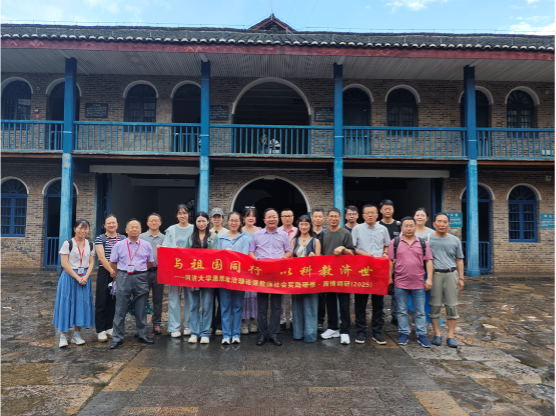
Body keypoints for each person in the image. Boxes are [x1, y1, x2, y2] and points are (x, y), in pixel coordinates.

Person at [249, 208, 292, 346]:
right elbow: (251, 251)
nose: (272, 219)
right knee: (262, 306)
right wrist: (254, 259)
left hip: (277, 274)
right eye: (269, 217)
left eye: (274, 217)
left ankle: (273, 334)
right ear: (264, 220)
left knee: (276, 306)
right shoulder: (257, 234)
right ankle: (262, 334)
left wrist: (283, 258)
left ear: (278, 219)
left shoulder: (283, 235)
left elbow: (288, 251)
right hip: (262, 274)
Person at [109, 219, 154, 349]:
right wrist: (122, 272)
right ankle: (117, 338)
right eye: (132, 227)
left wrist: (139, 271)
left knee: (141, 308)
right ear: (126, 230)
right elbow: (113, 262)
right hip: (123, 276)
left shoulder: (146, 245)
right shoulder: (119, 245)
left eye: (137, 227)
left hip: (140, 277)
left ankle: (143, 335)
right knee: (120, 308)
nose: (134, 229)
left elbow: (150, 262)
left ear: (141, 230)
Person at [388, 217, 434, 348]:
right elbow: (390, 261)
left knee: (420, 311)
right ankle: (404, 333)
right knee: (401, 310)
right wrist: (389, 277)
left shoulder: (423, 243)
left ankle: (421, 335)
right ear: (401, 228)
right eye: (406, 226)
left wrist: (429, 279)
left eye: (411, 225)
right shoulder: (395, 242)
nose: (409, 228)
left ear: (415, 227)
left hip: (418, 283)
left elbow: (428, 261)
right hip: (400, 283)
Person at [352, 204, 391, 345]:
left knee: (378, 303)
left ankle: (377, 332)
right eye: (367, 213)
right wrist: (364, 255)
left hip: (378, 269)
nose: (370, 215)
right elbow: (352, 248)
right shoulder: (357, 229)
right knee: (360, 302)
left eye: (373, 213)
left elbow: (387, 244)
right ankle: (360, 331)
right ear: (362, 216)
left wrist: (385, 253)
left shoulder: (383, 229)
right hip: (362, 269)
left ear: (377, 215)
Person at [53, 219, 96, 348]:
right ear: (75, 229)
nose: (83, 231)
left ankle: (77, 334)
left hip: (84, 278)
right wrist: (77, 277)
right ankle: (62, 335)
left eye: (86, 228)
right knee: (65, 303)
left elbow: (91, 262)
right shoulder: (68, 243)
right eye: (80, 228)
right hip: (69, 277)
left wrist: (86, 276)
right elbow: (64, 263)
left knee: (81, 304)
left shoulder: (91, 244)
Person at [428, 213, 465, 349]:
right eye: (439, 221)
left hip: (451, 274)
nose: (442, 224)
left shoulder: (455, 240)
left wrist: (461, 278)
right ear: (434, 224)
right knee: (435, 305)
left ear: (449, 224)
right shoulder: (428, 239)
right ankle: (437, 334)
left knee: (452, 305)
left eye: (445, 222)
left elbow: (459, 259)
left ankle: (451, 336)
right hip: (436, 275)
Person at [320, 208, 355, 345]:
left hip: (343, 275)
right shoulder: (324, 234)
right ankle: (333, 327)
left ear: (340, 219)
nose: (333, 218)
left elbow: (352, 253)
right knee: (330, 302)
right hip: (328, 274)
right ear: (327, 219)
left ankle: (345, 331)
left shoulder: (345, 233)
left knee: (344, 303)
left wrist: (343, 249)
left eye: (336, 216)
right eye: (331, 216)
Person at [183, 212, 219, 344]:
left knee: (207, 305)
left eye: (204, 221)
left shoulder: (214, 237)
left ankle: (205, 333)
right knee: (194, 305)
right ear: (195, 222)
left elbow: (215, 255)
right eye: (199, 221)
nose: (201, 223)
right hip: (193, 276)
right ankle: (194, 332)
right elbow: (185, 254)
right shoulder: (190, 236)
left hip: (208, 276)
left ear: (208, 221)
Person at [218, 212, 252, 345]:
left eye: (236, 220)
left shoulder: (244, 239)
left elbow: (244, 257)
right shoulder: (221, 238)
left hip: (238, 278)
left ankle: (236, 334)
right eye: (231, 220)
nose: (233, 223)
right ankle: (226, 335)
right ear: (227, 221)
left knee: (238, 306)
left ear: (240, 222)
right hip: (224, 278)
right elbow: (218, 258)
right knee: (225, 306)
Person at [163, 205, 194, 338]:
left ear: (188, 214)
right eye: (180, 213)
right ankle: (174, 327)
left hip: (190, 268)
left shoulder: (194, 228)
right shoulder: (171, 229)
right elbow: (165, 247)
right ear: (176, 215)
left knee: (190, 297)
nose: (182, 215)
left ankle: (188, 325)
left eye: (184, 213)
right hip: (175, 268)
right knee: (174, 297)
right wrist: (172, 250)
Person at [94, 215, 126, 342]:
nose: (111, 225)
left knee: (114, 301)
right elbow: (101, 257)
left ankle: (109, 327)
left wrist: (117, 271)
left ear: (117, 224)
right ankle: (100, 330)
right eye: (108, 223)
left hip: (120, 272)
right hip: (105, 272)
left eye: (113, 222)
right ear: (104, 225)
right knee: (102, 300)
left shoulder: (123, 238)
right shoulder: (100, 238)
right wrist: (112, 271)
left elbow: (126, 254)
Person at [291, 215, 321, 343]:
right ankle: (297, 333)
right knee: (297, 306)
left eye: (306, 224)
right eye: (301, 224)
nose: (304, 226)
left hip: (311, 279)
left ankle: (310, 334)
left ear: (310, 225)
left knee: (311, 306)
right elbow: (290, 259)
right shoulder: (294, 241)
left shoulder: (315, 241)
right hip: (297, 279)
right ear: (298, 225)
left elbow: (320, 262)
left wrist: (314, 257)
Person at [409, 207, 437, 325]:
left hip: (425, 269)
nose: (419, 217)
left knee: (424, 296)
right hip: (409, 269)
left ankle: (421, 322)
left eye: (422, 215)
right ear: (414, 217)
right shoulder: (408, 230)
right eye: (417, 215)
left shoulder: (432, 233)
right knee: (408, 297)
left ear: (427, 218)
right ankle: (409, 322)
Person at [139, 213, 165, 336]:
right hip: (144, 272)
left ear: (160, 223)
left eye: (156, 220)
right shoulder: (141, 237)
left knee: (158, 299)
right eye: (151, 220)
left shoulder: (165, 238)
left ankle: (156, 324)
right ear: (147, 223)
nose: (154, 223)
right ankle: (141, 325)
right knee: (141, 298)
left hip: (159, 271)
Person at [379, 200, 402, 327]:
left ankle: (395, 316)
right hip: (380, 264)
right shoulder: (377, 225)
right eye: (385, 208)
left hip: (397, 263)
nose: (387, 211)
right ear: (381, 211)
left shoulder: (399, 225)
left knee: (397, 291)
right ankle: (380, 316)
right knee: (380, 291)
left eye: (390, 208)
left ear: (393, 210)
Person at [241, 207, 260, 335]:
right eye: (248, 215)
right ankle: (243, 322)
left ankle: (253, 321)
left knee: (254, 295)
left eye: (253, 215)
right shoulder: (239, 231)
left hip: (256, 267)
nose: (250, 218)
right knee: (243, 295)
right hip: (243, 268)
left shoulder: (260, 231)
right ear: (244, 218)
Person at [279, 208, 298, 333]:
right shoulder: (277, 231)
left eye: (289, 216)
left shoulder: (298, 231)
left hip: (295, 266)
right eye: (284, 216)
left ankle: (292, 320)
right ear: (281, 218)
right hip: (280, 266)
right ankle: (281, 320)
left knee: (293, 295)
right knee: (280, 295)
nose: (287, 218)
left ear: (293, 217)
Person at [210, 208, 228, 337]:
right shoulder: (208, 232)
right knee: (209, 299)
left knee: (222, 299)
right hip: (210, 272)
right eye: (214, 217)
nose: (217, 219)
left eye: (219, 217)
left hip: (223, 271)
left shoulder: (227, 233)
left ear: (222, 218)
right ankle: (210, 324)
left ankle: (219, 324)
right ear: (211, 219)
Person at [312, 209, 327, 332]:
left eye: (320, 217)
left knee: (322, 297)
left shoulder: (327, 234)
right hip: (309, 270)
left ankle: (320, 321)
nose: (317, 219)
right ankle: (310, 320)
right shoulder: (308, 233)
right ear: (312, 218)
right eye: (315, 216)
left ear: (323, 219)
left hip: (323, 270)